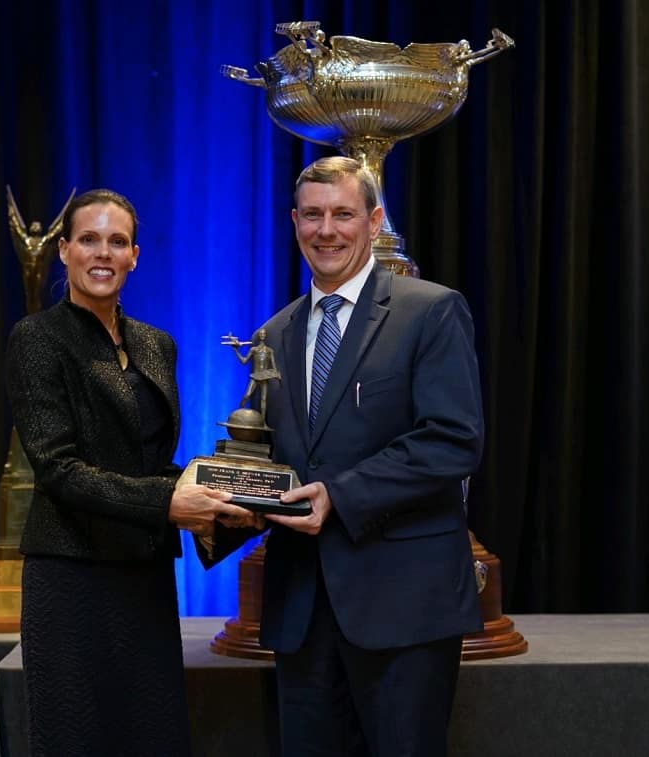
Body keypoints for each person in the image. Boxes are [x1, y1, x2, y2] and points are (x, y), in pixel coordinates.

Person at [246, 156, 485, 755]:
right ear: (294, 222)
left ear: (374, 222)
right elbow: (267, 454)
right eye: (313, 215)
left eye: (343, 214)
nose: (327, 230)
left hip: (402, 607)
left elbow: (453, 439)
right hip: (301, 608)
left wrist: (340, 495)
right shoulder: (275, 333)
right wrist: (229, 497)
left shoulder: (429, 310)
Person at [5, 188, 255, 757]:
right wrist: (171, 503)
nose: (102, 252)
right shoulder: (37, 339)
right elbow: (59, 472)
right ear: (64, 251)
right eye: (88, 239)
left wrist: (231, 496)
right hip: (70, 580)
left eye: (117, 241)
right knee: (76, 739)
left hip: (142, 579)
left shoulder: (155, 343)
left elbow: (150, 463)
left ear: (135, 256)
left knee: (154, 736)